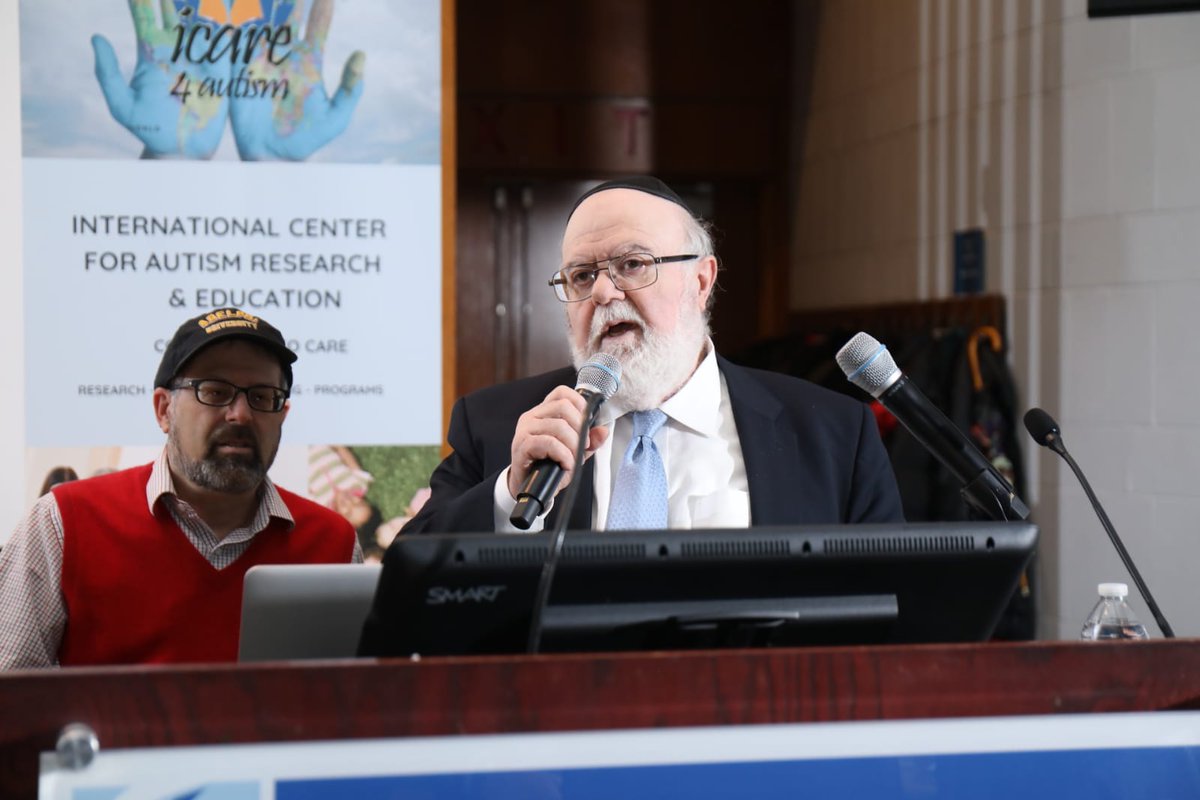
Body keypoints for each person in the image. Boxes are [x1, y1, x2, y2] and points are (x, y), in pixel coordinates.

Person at [401, 176, 904, 536]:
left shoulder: (833, 433)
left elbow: (890, 606)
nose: (602, 292)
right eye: (580, 276)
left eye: (633, 264)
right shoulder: (496, 424)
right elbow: (408, 587)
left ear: (701, 281)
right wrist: (509, 494)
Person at [0, 308, 361, 668]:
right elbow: (12, 696)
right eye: (215, 392)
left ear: (282, 414)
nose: (240, 414)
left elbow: (357, 705)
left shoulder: (333, 543)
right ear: (163, 409)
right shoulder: (64, 523)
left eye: (263, 396)